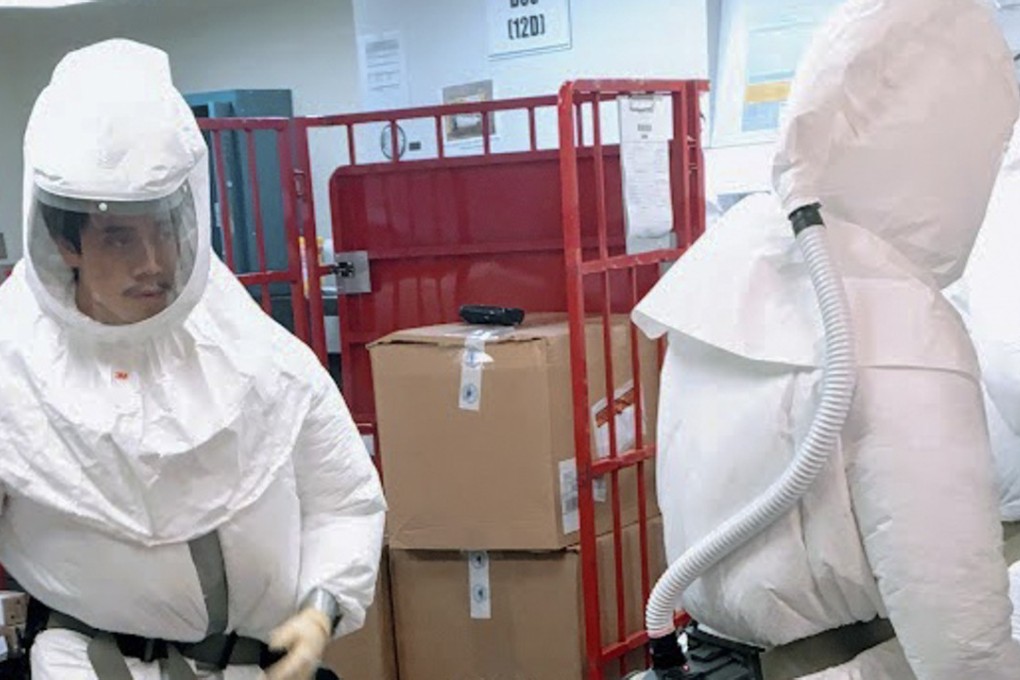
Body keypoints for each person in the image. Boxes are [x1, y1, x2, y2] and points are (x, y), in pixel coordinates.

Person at [633, 0, 1020, 677]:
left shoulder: (733, 259)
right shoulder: (893, 316)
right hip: (837, 655)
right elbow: (958, 634)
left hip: (718, 646)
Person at [0, 38, 386, 680]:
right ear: (65, 241)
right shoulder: (14, 361)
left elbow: (342, 498)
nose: (153, 261)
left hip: (258, 669)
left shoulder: (246, 343)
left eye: (164, 228)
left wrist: (323, 605)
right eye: (120, 237)